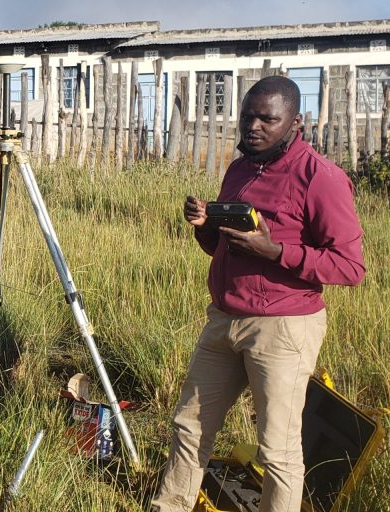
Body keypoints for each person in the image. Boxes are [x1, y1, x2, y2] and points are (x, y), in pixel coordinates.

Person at [152, 76, 365, 512]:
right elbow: (221, 248)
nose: (253, 127)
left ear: (294, 123)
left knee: (278, 451)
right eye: (248, 116)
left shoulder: (321, 178)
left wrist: (277, 252)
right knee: (189, 425)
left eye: (267, 119)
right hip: (224, 317)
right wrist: (206, 226)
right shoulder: (241, 167)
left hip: (282, 328)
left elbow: (351, 267)